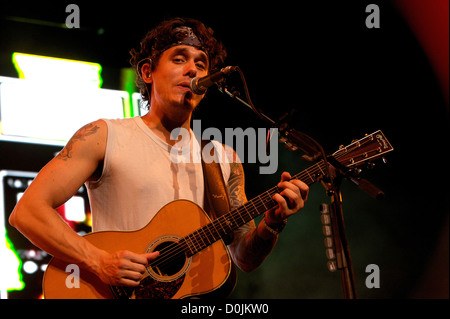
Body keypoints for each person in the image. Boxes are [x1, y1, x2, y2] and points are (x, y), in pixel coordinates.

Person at [9, 17, 309, 295]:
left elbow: (243, 257)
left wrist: (271, 224)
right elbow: (27, 212)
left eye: (201, 64)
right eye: (179, 59)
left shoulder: (221, 158)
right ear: (147, 71)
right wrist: (100, 261)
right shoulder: (103, 135)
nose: (192, 69)